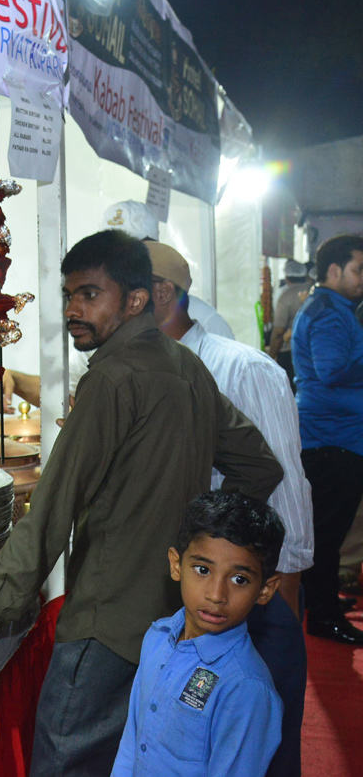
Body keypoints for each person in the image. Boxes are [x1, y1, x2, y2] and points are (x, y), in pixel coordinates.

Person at [0, 230, 282, 777]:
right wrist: (199, 537)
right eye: (69, 295)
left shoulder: (113, 380)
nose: (73, 308)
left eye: (90, 294)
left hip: (106, 628)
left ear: (136, 300)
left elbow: (48, 516)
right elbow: (259, 467)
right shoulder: (185, 367)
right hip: (170, 624)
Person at [147, 240, 312, 777]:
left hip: (255, 597)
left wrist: (280, 596)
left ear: (161, 294)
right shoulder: (158, 372)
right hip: (200, 591)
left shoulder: (241, 368)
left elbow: (284, 485)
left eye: (121, 291)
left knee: (262, 747)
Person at [0, 199, 234, 414]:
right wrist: (15, 380)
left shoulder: (206, 322)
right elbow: (69, 392)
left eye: (134, 249)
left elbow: (223, 418)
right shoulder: (100, 322)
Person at [111, 490, 284, 777]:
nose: (217, 594)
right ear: (176, 565)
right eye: (203, 569)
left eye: (239, 579)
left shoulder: (246, 687)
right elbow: (132, 739)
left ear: (265, 589)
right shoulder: (157, 638)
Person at [291, 233, 363, 643]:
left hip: (335, 438)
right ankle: (322, 615)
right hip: (331, 440)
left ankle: (323, 603)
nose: (362, 278)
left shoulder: (334, 308)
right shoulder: (329, 313)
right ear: (333, 270)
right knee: (326, 533)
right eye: (358, 269)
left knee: (327, 532)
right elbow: (332, 368)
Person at [268, 259, 312, 386]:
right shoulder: (314, 291)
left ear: (287, 278)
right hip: (309, 350)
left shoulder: (285, 295)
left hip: (288, 352)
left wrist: (271, 356)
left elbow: (278, 331)